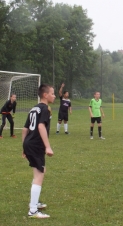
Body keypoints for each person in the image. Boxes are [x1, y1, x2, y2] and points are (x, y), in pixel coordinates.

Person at [22, 84, 55, 218]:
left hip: (29, 143)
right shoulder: (45, 109)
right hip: (36, 145)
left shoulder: (34, 108)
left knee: (39, 171)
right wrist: (47, 146)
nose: (54, 96)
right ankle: (33, 211)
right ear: (45, 95)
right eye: (52, 93)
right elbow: (41, 126)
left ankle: (35, 203)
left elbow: (25, 129)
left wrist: (24, 147)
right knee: (39, 175)